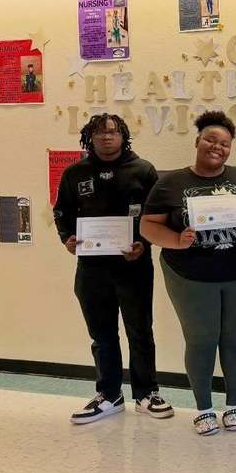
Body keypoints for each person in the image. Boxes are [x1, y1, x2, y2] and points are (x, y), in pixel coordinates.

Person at [140, 111, 236, 436]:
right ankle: (204, 408)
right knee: (201, 340)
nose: (217, 147)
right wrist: (176, 241)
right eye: (211, 139)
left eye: (224, 143)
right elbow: (147, 225)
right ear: (197, 141)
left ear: (230, 148)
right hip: (190, 276)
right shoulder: (170, 183)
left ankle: (235, 404)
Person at [54, 113, 173, 424]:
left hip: (133, 265)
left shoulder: (143, 170)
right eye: (99, 133)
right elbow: (61, 211)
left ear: (123, 136)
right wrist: (67, 238)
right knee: (102, 334)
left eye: (112, 131)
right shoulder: (75, 173)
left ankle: (147, 393)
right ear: (89, 138)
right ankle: (110, 394)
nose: (106, 137)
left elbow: (158, 215)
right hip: (91, 268)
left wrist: (144, 245)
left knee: (140, 330)